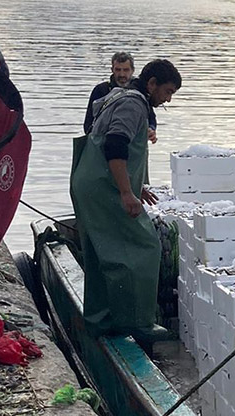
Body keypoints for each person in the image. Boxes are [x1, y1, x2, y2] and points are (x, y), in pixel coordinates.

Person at [70, 59, 181, 342]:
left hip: (89, 183)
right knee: (144, 246)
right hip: (103, 186)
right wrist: (126, 192)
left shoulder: (120, 96)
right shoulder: (133, 104)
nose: (167, 99)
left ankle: (100, 321)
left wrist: (135, 186)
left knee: (98, 253)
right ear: (152, 83)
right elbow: (115, 146)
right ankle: (138, 322)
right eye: (166, 91)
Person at [83, 51, 157, 143]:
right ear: (112, 70)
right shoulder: (101, 90)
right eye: (118, 70)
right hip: (103, 143)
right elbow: (88, 124)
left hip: (134, 143)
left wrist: (151, 129)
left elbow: (151, 118)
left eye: (126, 70)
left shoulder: (141, 91)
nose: (122, 74)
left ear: (132, 70)